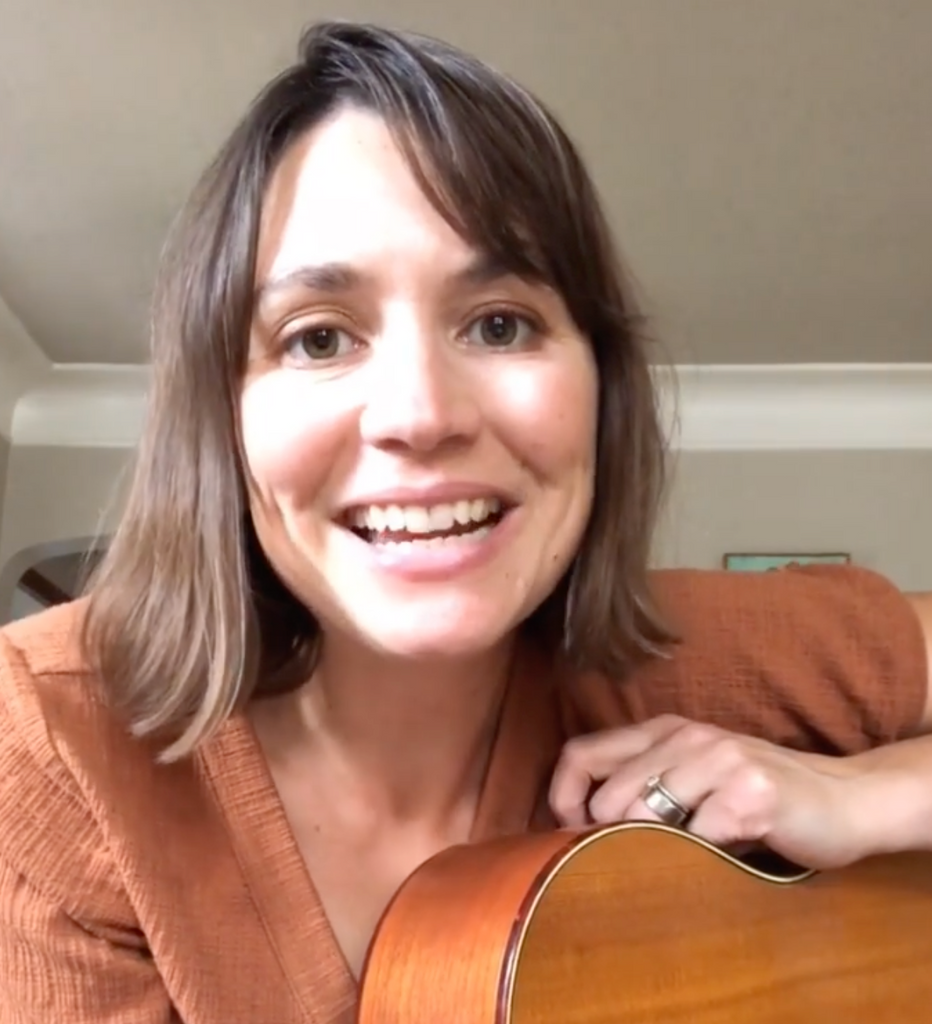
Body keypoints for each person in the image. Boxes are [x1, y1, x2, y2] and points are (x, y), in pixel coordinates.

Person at [0, 19, 929, 1024]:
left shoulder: (685, 658)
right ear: (219, 415)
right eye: (318, 339)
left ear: (601, 388)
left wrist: (868, 797)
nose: (421, 414)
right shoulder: (49, 751)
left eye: (498, 323)